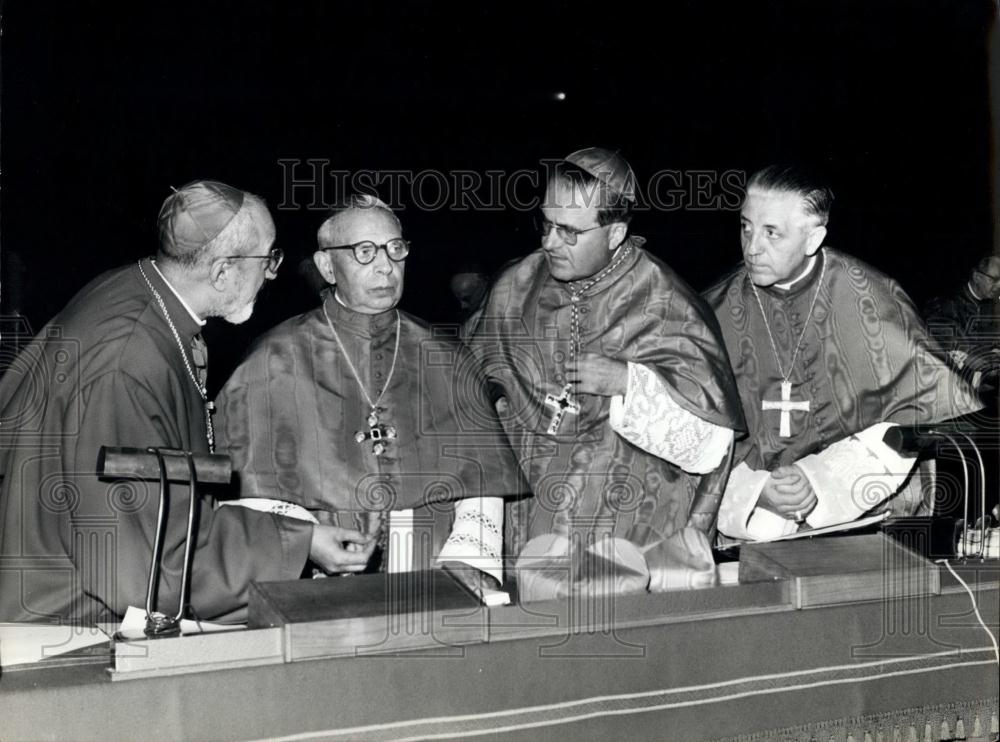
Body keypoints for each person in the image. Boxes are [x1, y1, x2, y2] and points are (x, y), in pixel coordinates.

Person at [0, 180, 375, 626]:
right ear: (222, 272)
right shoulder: (128, 361)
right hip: (67, 620)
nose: (272, 274)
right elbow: (146, 564)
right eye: (268, 259)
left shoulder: (134, 289)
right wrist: (297, 544)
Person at [466, 148, 745, 597]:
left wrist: (628, 384)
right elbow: (471, 386)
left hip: (630, 533)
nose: (549, 243)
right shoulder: (516, 287)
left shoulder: (665, 301)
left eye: (570, 231)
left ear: (616, 233)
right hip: (528, 523)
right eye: (546, 223)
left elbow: (710, 445)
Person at [214, 195, 523, 585]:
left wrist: (469, 560)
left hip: (437, 579)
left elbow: (482, 479)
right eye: (364, 251)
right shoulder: (275, 358)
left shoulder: (444, 355)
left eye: (396, 249)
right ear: (327, 265)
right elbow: (251, 489)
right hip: (318, 580)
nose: (385, 266)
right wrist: (304, 541)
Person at [703, 164, 982, 542]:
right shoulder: (714, 308)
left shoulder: (870, 300)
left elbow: (910, 419)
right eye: (745, 227)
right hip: (748, 514)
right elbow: (692, 429)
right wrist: (754, 490)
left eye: (772, 233)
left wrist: (819, 479)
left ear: (813, 238)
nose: (752, 248)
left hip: (856, 516)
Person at [924, 255, 1000, 403]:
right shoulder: (946, 304)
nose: (999, 286)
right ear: (976, 276)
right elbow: (960, 353)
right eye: (994, 279)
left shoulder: (988, 305)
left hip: (980, 391)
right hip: (950, 393)